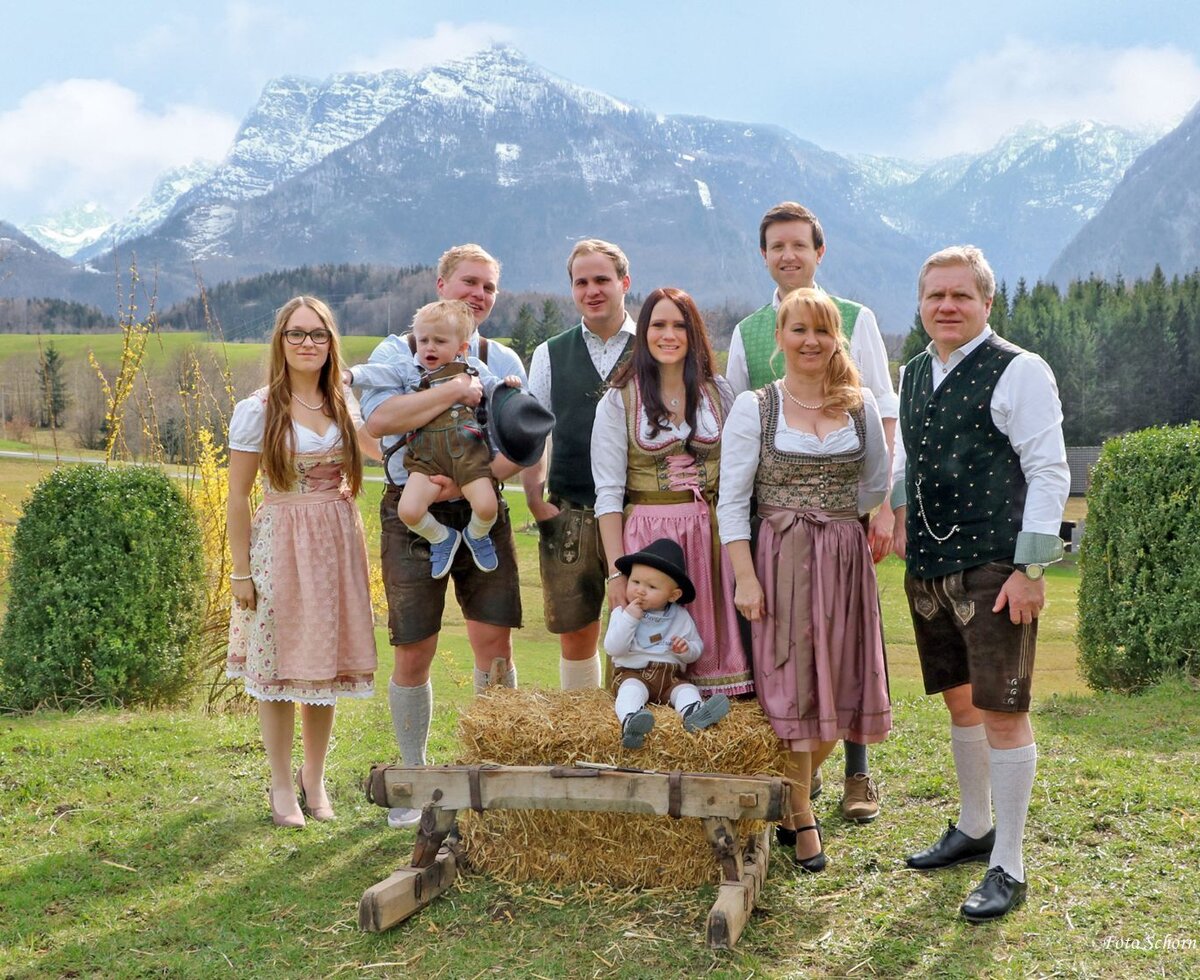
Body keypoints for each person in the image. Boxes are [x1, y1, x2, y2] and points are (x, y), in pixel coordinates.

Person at [893, 245, 1069, 922]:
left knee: (1003, 710)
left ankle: (1011, 864)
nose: (946, 306)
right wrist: (898, 518)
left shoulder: (1020, 370)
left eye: (961, 295)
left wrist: (1031, 569)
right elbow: (911, 460)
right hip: (931, 568)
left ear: (986, 303)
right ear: (921, 302)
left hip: (998, 566)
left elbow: (1050, 471)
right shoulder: (913, 373)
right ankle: (973, 828)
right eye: (935, 294)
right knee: (961, 705)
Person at [727, 201, 899, 824]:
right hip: (778, 527)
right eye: (777, 246)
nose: (789, 255)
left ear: (818, 252)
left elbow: (883, 412)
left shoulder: (857, 318)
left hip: (844, 518)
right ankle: (796, 794)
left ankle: (854, 776)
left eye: (800, 244)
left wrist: (882, 511)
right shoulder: (750, 331)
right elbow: (736, 427)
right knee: (791, 653)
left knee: (847, 644)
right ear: (765, 254)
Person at [356, 244, 528, 829]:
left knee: (494, 641)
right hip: (412, 505)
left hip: (478, 503)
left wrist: (471, 484)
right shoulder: (394, 351)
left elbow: (520, 442)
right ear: (440, 284)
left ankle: (495, 769)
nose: (477, 294)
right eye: (468, 282)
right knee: (413, 644)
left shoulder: (500, 357)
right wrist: (454, 392)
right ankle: (414, 780)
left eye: (488, 287)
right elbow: (379, 424)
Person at [226, 296, 378, 828]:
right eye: (296, 334)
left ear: (332, 343)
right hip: (280, 543)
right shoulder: (260, 409)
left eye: (318, 334)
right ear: (281, 342)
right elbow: (239, 497)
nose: (307, 343)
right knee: (279, 666)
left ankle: (315, 779)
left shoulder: (345, 404)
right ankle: (281, 784)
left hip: (336, 542)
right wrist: (240, 572)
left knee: (323, 666)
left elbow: (388, 449)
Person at [592, 287, 753, 697]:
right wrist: (616, 571)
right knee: (649, 648)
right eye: (658, 324)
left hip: (712, 534)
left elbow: (739, 471)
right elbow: (609, 495)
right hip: (650, 540)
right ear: (643, 332)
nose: (669, 334)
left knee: (712, 648)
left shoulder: (721, 392)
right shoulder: (619, 400)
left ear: (694, 332)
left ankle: (711, 712)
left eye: (679, 325)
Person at [523, 239, 635, 690]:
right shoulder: (550, 352)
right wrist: (534, 499)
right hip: (570, 506)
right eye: (581, 282)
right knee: (575, 630)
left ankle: (627, 727)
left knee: (636, 626)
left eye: (602, 280)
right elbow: (534, 432)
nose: (592, 290)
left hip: (636, 509)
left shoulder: (653, 344)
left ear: (624, 283)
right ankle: (581, 738)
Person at [349, 299, 522, 578]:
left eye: (439, 341)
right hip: (426, 458)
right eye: (423, 340)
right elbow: (379, 373)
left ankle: (476, 535)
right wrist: (351, 375)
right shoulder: (408, 369)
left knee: (488, 506)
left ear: (461, 347)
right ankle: (442, 538)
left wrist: (508, 384)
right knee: (409, 510)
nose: (429, 347)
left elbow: (493, 388)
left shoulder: (473, 368)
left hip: (468, 455)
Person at [606, 539, 731, 748]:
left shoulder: (680, 617)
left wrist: (685, 649)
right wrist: (630, 619)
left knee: (686, 690)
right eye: (635, 582)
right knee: (630, 691)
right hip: (633, 672)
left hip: (670, 677)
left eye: (651, 586)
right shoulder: (622, 614)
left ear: (673, 595)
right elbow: (613, 648)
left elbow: (696, 649)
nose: (640, 591)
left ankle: (693, 714)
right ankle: (631, 720)